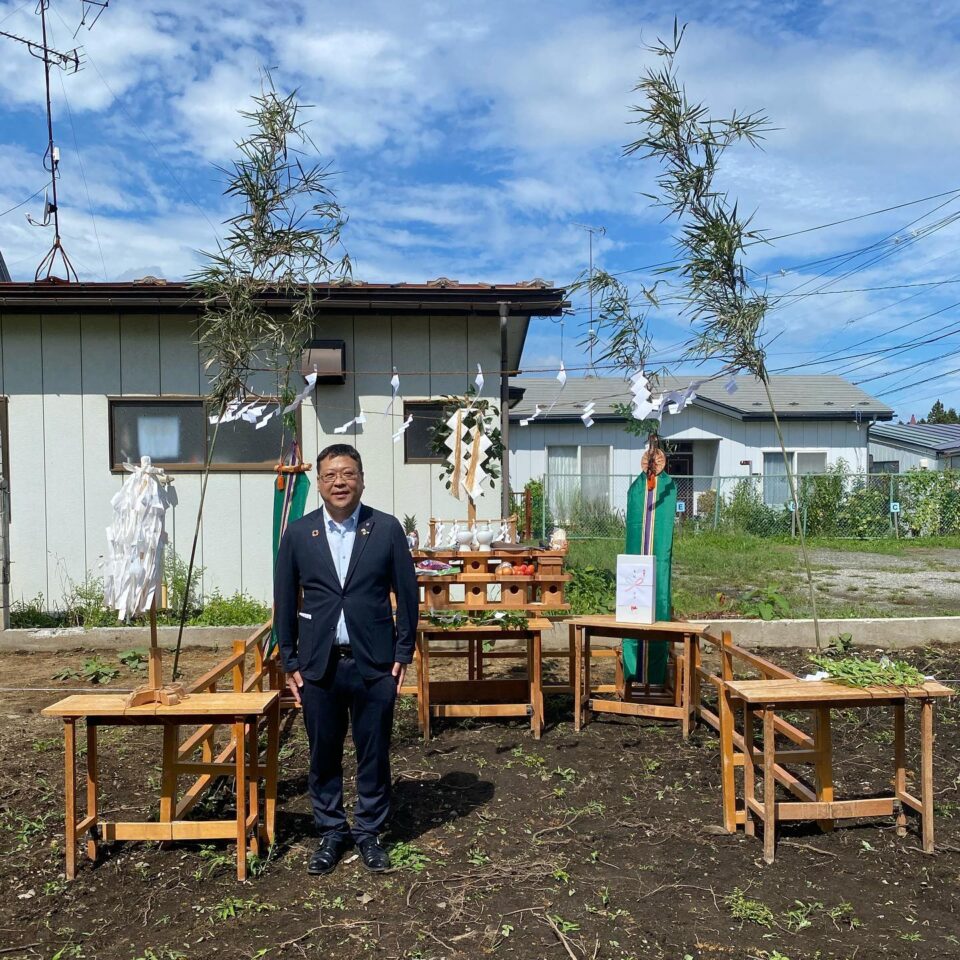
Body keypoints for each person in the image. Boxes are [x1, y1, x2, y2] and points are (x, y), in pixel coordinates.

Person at [274, 443, 419, 875]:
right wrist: (289, 660)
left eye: (348, 473)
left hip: (374, 663)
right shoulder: (299, 534)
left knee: (374, 751)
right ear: (319, 482)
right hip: (319, 665)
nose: (340, 482)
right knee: (323, 752)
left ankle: (370, 832)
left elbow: (407, 596)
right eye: (331, 475)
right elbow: (284, 599)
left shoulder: (386, 529)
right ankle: (332, 831)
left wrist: (403, 651)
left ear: (361, 478)